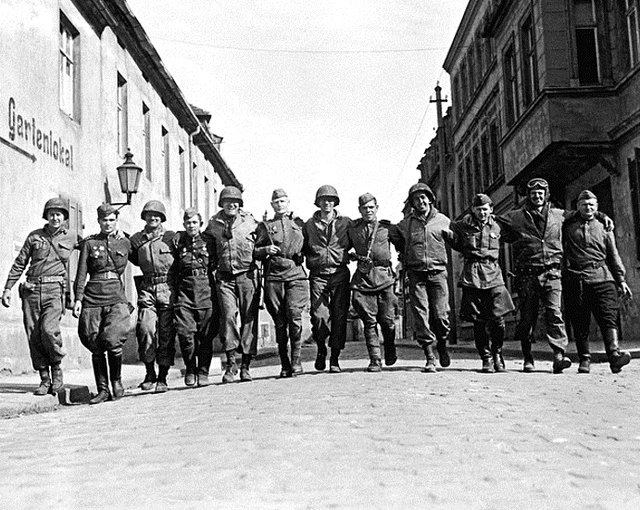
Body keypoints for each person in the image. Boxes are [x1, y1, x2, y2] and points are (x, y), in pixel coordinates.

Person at [497, 177, 613, 374]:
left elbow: (583, 212)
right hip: (527, 275)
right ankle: (528, 357)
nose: (537, 196)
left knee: (555, 314)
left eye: (541, 193)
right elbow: (492, 221)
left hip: (552, 273)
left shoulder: (559, 215)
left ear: (546, 195)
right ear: (529, 195)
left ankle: (559, 356)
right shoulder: (515, 216)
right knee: (527, 318)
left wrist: (601, 215)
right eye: (534, 194)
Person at [2, 198, 78, 395]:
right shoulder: (34, 237)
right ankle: (44, 378)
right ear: (47, 216)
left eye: (59, 214)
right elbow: (20, 262)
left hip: (54, 290)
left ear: (64, 218)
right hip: (32, 290)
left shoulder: (71, 237)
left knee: (48, 329)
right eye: (51, 214)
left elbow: (92, 247)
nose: (55, 218)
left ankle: (57, 369)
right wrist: (8, 288)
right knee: (34, 334)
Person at [562, 189, 632, 374]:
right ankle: (584, 359)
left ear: (597, 206)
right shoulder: (567, 226)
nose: (588, 208)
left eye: (592, 205)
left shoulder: (604, 226)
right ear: (577, 206)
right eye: (584, 204)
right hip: (576, 278)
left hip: (602, 277)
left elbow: (613, 254)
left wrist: (621, 280)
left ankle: (614, 356)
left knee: (608, 317)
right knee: (580, 321)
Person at [444, 194, 514, 373]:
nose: (482, 212)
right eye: (478, 209)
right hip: (473, 274)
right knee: (478, 320)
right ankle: (486, 358)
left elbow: (517, 234)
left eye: (485, 209)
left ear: (491, 209)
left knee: (498, 318)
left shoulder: (499, 225)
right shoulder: (463, 225)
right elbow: (448, 230)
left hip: (494, 273)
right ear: (472, 210)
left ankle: (498, 354)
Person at [73, 203, 133, 404]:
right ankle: (103, 389)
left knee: (113, 339)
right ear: (99, 221)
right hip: (92, 297)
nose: (108, 224)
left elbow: (145, 258)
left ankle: (116, 381)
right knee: (94, 341)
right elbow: (81, 273)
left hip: (115, 296)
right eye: (104, 220)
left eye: (111, 220)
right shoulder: (90, 244)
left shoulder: (125, 242)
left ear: (116, 221)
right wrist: (78, 299)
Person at [390, 182, 451, 373]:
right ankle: (430, 356)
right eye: (416, 199)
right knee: (421, 316)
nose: (420, 201)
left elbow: (457, 240)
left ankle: (442, 343)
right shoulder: (405, 224)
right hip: (416, 275)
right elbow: (391, 235)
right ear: (412, 203)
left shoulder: (442, 220)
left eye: (423, 197)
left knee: (441, 315)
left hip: (438, 273)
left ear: (430, 199)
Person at [205, 186, 259, 383]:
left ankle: (245, 365)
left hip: (247, 275)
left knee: (248, 318)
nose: (232, 205)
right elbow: (206, 248)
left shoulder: (251, 222)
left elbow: (262, 244)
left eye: (235, 202)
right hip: (225, 276)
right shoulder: (214, 224)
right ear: (222, 204)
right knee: (228, 316)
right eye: (227, 202)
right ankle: (231, 363)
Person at [254, 188, 308, 378]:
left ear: (289, 202)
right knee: (279, 322)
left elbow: (311, 247)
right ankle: (284, 364)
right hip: (274, 276)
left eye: (283, 201)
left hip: (295, 274)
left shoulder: (300, 224)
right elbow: (255, 251)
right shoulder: (265, 226)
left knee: (294, 315)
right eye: (276, 202)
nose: (280, 205)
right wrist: (265, 249)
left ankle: (296, 360)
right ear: (272, 205)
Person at [303, 185, 352, 373]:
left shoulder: (345, 222)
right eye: (323, 200)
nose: (327, 203)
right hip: (318, 274)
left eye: (331, 200)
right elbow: (301, 244)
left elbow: (358, 239)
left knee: (339, 317)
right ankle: (321, 348)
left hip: (340, 273)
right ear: (318, 203)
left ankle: (335, 358)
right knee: (319, 316)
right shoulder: (309, 224)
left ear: (335, 202)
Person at [347, 193, 398, 372]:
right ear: (359, 210)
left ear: (377, 208)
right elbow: (341, 248)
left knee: (388, 320)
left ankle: (390, 347)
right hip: (364, 279)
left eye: (371, 207)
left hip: (384, 278)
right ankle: (375, 359)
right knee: (369, 322)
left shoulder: (387, 228)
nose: (368, 211)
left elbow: (403, 247)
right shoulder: (353, 229)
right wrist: (352, 256)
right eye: (364, 208)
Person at [129, 200, 176, 392]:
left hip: (168, 287)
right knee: (145, 329)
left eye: (157, 215)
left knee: (165, 333)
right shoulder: (136, 240)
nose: (153, 218)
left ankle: (162, 376)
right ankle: (149, 372)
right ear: (144, 218)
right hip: (147, 287)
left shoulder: (172, 238)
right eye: (149, 215)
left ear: (162, 218)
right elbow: (128, 256)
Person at [171, 208, 217, 387]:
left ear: (201, 224)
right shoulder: (178, 241)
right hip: (185, 292)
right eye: (188, 223)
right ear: (184, 225)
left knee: (206, 336)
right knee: (185, 333)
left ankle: (203, 371)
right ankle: (190, 369)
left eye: (194, 222)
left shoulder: (209, 241)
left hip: (205, 291)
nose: (191, 226)